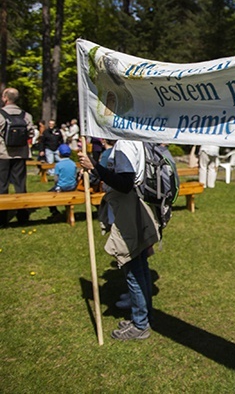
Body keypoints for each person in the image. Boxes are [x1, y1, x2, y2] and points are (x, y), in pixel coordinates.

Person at [79, 140, 160, 341]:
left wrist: (95, 167)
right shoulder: (136, 141)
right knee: (140, 266)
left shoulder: (124, 144)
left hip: (128, 212)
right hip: (136, 208)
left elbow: (124, 184)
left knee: (132, 269)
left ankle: (140, 324)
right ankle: (143, 317)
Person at [0, 87, 34, 226]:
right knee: (20, 184)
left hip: (3, 153)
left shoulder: (0, 114)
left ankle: (2, 218)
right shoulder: (26, 115)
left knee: (2, 186)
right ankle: (22, 215)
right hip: (21, 154)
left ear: (5, 98)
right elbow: (31, 133)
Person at [48, 144, 78, 218]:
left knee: (49, 194)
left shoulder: (58, 165)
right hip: (72, 186)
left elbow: (56, 178)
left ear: (59, 154)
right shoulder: (73, 163)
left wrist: (56, 185)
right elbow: (75, 175)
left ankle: (54, 211)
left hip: (62, 187)